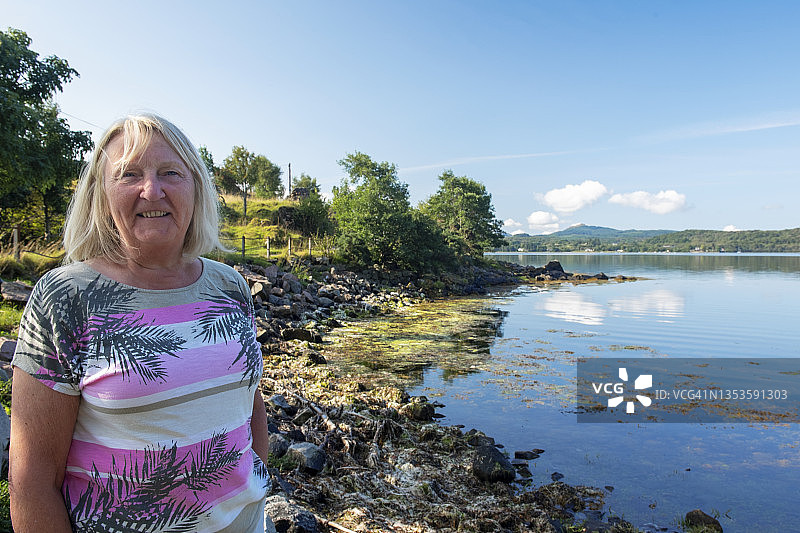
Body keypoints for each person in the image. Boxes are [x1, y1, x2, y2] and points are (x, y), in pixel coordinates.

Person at [10, 114, 271, 532]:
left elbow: (247, 403)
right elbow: (33, 481)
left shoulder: (230, 285)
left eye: (170, 173)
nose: (152, 190)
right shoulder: (66, 299)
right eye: (129, 174)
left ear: (196, 187)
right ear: (101, 194)